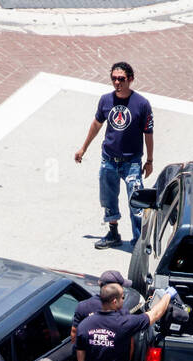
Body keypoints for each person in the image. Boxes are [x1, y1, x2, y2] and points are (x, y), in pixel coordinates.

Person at [73, 62, 154, 250]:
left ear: (131, 79)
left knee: (137, 203)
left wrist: (149, 161)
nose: (117, 82)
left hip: (132, 162)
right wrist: (83, 148)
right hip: (108, 159)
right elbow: (96, 124)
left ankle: (139, 242)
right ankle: (113, 232)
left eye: (121, 79)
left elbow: (148, 133)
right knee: (108, 199)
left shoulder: (142, 104)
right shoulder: (105, 100)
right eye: (114, 78)